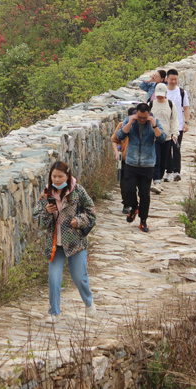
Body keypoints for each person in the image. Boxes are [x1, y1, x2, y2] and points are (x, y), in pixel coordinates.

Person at [32, 161, 97, 324]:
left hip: (75, 244)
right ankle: (54, 312)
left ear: (68, 176)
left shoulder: (78, 192)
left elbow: (91, 213)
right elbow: (37, 221)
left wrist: (78, 221)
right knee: (54, 279)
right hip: (55, 245)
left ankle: (88, 302)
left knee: (79, 277)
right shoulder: (46, 195)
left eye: (60, 176)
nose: (57, 179)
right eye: (54, 176)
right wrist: (47, 213)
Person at [116, 102, 166, 232]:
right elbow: (119, 136)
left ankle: (143, 220)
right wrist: (130, 123)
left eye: (145, 117)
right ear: (136, 114)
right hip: (131, 162)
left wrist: (154, 125)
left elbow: (162, 139)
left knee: (145, 194)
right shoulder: (130, 121)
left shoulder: (154, 122)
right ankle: (134, 207)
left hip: (147, 164)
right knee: (128, 189)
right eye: (140, 117)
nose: (142, 120)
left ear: (149, 114)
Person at [164, 69, 190, 182]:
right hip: (165, 126)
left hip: (178, 126)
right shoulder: (163, 92)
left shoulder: (182, 92)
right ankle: (168, 171)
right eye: (171, 79)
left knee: (176, 148)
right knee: (167, 149)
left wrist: (186, 122)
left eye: (175, 79)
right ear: (167, 79)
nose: (173, 81)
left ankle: (176, 171)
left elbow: (186, 108)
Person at [149, 83, 177, 191]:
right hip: (154, 137)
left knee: (164, 160)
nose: (160, 97)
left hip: (167, 137)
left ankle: (159, 179)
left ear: (166, 94)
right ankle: (156, 180)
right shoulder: (151, 104)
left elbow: (174, 120)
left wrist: (175, 133)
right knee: (156, 158)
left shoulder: (170, 104)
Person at [111, 107, 136, 214]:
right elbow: (114, 140)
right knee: (124, 182)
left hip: (137, 159)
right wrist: (117, 153)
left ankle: (134, 202)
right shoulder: (122, 125)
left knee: (134, 182)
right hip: (125, 159)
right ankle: (126, 203)